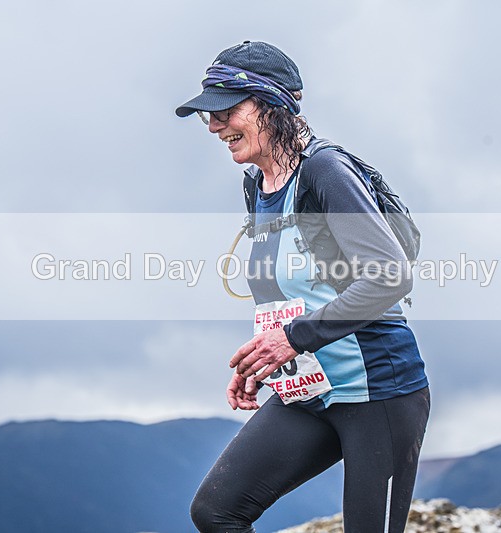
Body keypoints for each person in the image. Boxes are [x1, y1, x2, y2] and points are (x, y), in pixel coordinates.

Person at [175, 41, 431, 533]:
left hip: (378, 391)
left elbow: (389, 274)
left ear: (271, 105)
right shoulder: (257, 185)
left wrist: (291, 339)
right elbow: (298, 291)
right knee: (216, 512)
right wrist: (267, 357)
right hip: (308, 390)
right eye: (208, 114)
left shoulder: (324, 171)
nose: (212, 125)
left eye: (226, 110)